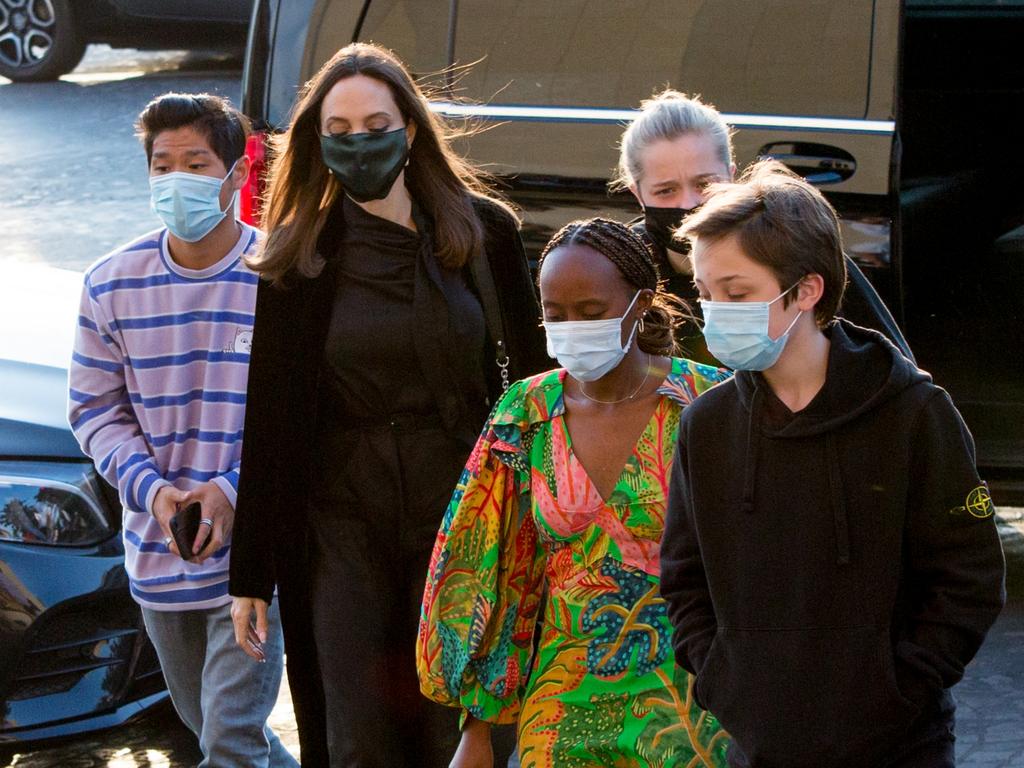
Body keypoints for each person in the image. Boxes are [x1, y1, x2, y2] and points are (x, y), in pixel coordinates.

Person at [228, 42, 548, 767]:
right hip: (342, 515)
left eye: (375, 123)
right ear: (317, 141)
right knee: (358, 727)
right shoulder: (300, 254)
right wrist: (250, 574)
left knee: (462, 722)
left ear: (409, 130)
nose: (357, 141)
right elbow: (271, 420)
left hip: (465, 503)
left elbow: (535, 381)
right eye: (337, 130)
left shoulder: (484, 232)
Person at [660, 160, 1006, 768]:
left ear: (808, 289)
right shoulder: (706, 424)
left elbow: (968, 578)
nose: (715, 313)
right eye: (706, 293)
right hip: (757, 746)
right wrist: (722, 682)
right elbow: (684, 578)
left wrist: (898, 690)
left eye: (737, 294)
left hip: (899, 747)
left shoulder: (913, 413)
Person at [419, 218, 731, 768]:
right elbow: (490, 568)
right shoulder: (526, 414)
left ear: (641, 303)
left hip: (694, 707)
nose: (570, 328)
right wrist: (478, 728)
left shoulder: (707, 404)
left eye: (590, 313)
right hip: (562, 707)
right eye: (554, 315)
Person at [68, 93, 297, 768]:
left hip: (253, 563)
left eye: (194, 163)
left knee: (228, 744)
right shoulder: (111, 285)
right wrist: (152, 491)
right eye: (161, 166)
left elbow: (300, 418)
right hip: (160, 557)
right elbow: (93, 409)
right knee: (221, 737)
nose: (176, 180)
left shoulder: (281, 276)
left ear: (234, 174)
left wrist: (233, 489)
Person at [612, 88, 914, 365]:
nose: (688, 203)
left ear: (731, 175)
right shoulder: (619, 268)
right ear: (637, 194)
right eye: (666, 191)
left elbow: (890, 365)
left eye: (704, 183)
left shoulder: (790, 246)